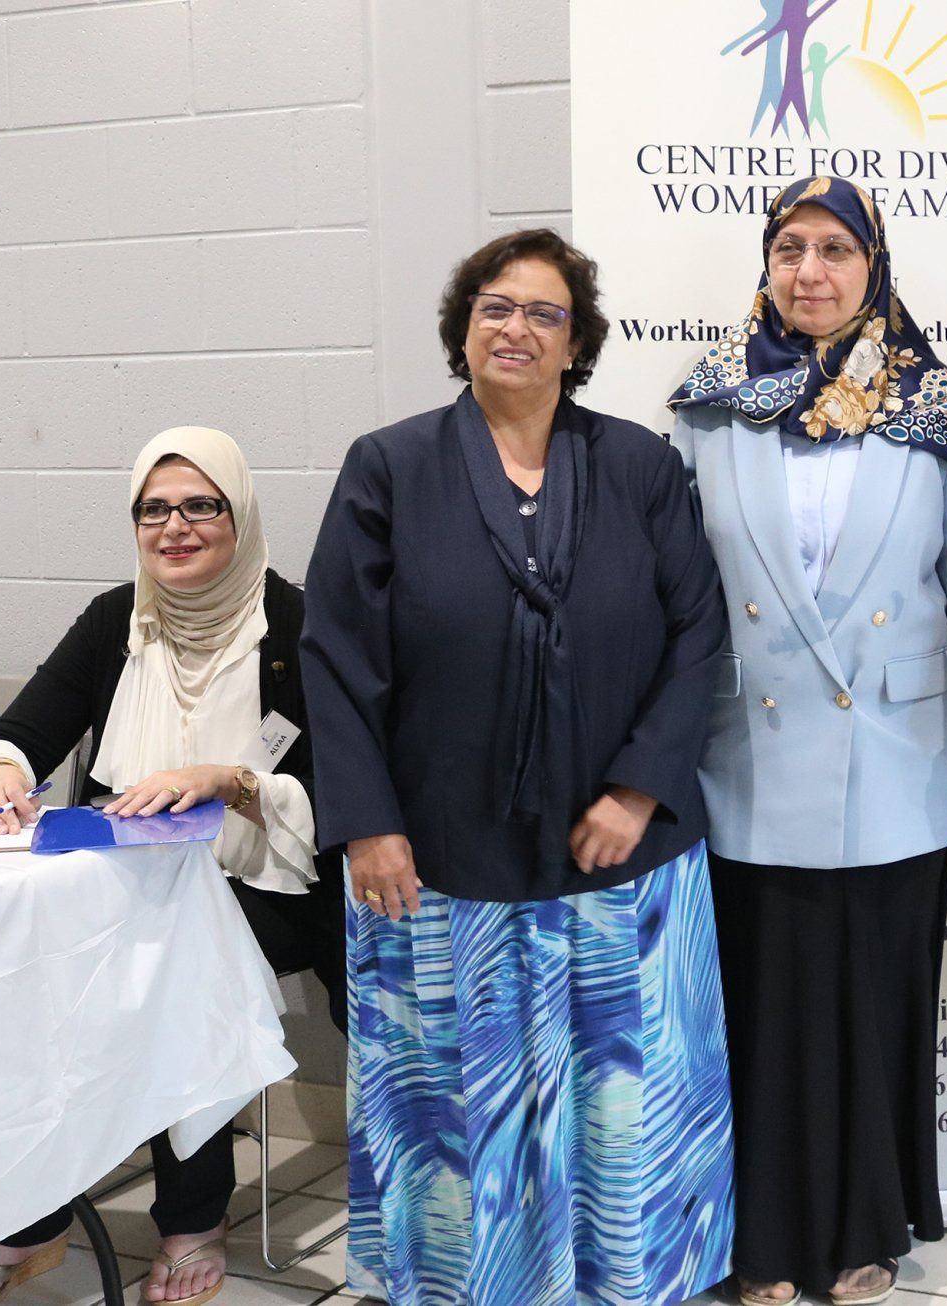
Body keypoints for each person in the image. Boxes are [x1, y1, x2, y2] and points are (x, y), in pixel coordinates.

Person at [300, 229, 733, 1306]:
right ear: (462, 325)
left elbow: (699, 633)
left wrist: (638, 787)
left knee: (621, 1104)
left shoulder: (638, 465)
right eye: (497, 306)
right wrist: (368, 822)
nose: (517, 329)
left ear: (576, 340)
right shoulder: (389, 467)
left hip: (624, 858)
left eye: (545, 313)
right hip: (440, 859)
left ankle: (627, 1285)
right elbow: (336, 655)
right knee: (461, 1103)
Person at [667, 175, 947, 1306]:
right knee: (759, 1008)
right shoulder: (708, 405)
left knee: (874, 1003)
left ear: (874, 265)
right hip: (743, 755)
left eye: (835, 251)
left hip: (899, 753)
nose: (810, 270)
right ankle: (760, 1238)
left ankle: (866, 1226)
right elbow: (680, 596)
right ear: (765, 263)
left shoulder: (934, 404)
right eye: (789, 247)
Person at [0, 427, 344, 1306]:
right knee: (18, 967)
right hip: (127, 880)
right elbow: (22, 731)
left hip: (263, 880)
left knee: (168, 974)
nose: (175, 527)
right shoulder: (120, 616)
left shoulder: (298, 625)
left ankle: (192, 1216)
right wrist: (2, 771)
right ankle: (32, 1216)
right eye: (154, 509)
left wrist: (228, 782)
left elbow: (338, 789)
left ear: (240, 514)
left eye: (201, 505)